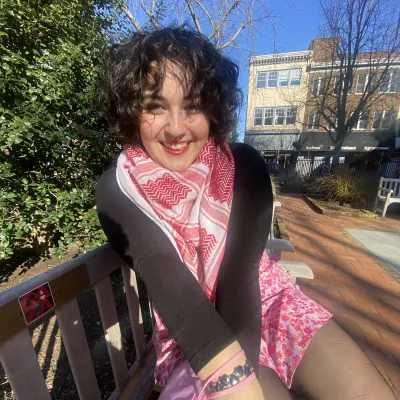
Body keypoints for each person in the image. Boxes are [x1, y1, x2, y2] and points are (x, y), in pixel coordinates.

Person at [95, 27, 396, 399]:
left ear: (214, 108)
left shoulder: (241, 166)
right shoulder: (120, 189)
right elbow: (174, 289)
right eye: (155, 106)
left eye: (192, 105)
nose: (175, 128)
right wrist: (242, 385)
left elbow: (240, 275)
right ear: (131, 109)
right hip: (194, 336)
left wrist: (248, 373)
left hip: (270, 303)